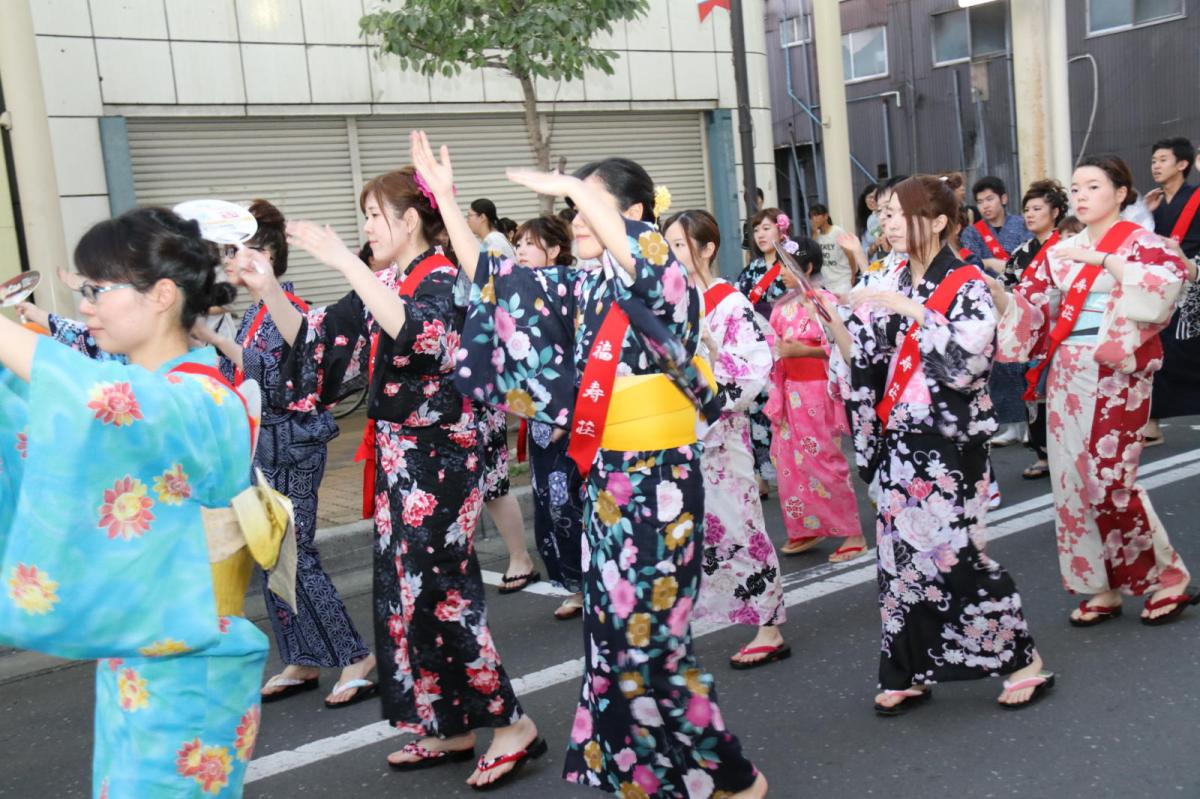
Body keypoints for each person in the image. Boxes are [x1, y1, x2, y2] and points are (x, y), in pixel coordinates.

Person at [425, 132, 767, 797]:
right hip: (610, 480)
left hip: (660, 483)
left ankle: (730, 774)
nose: (574, 220)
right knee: (613, 635)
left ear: (634, 214)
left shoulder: (660, 269)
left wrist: (577, 190)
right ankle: (650, 775)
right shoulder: (583, 283)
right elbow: (499, 285)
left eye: (588, 207)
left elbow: (642, 263)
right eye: (574, 208)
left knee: (654, 641)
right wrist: (444, 198)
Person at [247, 168, 541, 789]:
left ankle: (512, 723)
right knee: (404, 597)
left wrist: (342, 263)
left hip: (442, 457)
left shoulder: (441, 275)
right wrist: (270, 284)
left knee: (440, 592)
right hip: (399, 456)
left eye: (375, 216)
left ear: (410, 221)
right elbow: (322, 343)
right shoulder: (384, 279)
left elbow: (421, 336)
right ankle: (449, 724)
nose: (365, 229)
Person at [0, 206, 278, 797]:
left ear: (162, 295)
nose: (86, 306)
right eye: (84, 290)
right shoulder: (171, 387)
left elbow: (94, 401)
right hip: (144, 648)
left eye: (97, 289)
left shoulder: (196, 397)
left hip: (189, 659)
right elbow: (52, 416)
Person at [815, 175, 1053, 714]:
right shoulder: (889, 274)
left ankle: (1022, 661)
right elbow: (866, 365)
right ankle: (908, 668)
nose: (890, 223)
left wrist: (914, 311)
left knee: (954, 555)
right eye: (887, 214)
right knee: (899, 562)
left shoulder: (966, 281)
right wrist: (835, 326)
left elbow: (967, 363)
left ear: (940, 221)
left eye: (901, 214)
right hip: (899, 437)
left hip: (947, 442)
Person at [994, 155, 1198, 627]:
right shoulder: (1060, 250)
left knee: (1111, 482)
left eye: (1093, 186)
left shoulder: (1147, 245)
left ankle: (1169, 579)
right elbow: (1032, 309)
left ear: (1121, 193)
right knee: (1070, 482)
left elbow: (1166, 288)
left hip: (1117, 374)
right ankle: (1099, 586)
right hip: (1067, 372)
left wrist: (1104, 259)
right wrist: (998, 294)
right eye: (1077, 188)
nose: (1082, 196)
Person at [191, 200, 375, 708]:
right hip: (261, 447)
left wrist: (212, 339)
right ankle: (302, 656)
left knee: (298, 555)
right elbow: (241, 383)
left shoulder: (290, 310)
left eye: (236, 251)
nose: (228, 261)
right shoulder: (251, 313)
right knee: (271, 555)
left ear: (265, 254)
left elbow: (278, 381)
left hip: (292, 445)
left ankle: (355, 655)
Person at [663, 208, 789, 668]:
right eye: (668, 246)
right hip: (673, 435)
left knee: (738, 528)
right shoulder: (670, 302)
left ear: (707, 247)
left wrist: (712, 362)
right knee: (682, 535)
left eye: (680, 245)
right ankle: (680, 625)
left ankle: (769, 625)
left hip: (719, 435)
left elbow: (753, 369)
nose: (673, 256)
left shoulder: (728, 302)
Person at [763, 237, 867, 562]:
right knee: (789, 463)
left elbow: (841, 345)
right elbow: (773, 345)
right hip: (790, 390)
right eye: (779, 265)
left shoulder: (825, 301)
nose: (780, 272)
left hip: (817, 390)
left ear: (806, 268)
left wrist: (802, 350)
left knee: (824, 461)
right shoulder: (781, 307)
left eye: (787, 266)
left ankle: (853, 532)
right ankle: (807, 525)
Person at [511, 215, 586, 620]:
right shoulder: (524, 290)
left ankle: (589, 581)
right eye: (518, 242)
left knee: (567, 501)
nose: (520, 249)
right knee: (546, 502)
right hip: (540, 413)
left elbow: (581, 353)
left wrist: (567, 408)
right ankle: (574, 583)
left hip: (570, 409)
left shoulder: (570, 286)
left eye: (529, 243)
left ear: (555, 250)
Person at [465, 197, 537, 591]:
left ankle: (519, 555)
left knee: (492, 481)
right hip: (458, 386)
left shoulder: (489, 247)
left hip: (479, 382)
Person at [996, 180, 1070, 481]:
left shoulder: (1067, 245)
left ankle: (1068, 450)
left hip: (1063, 329)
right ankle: (1043, 453)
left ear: (1055, 211)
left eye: (1037, 208)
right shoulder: (1022, 252)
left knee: (1063, 394)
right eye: (1026, 209)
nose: (1030, 214)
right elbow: (1008, 288)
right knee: (1035, 393)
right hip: (1033, 333)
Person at [960, 176, 1032, 449]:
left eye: (990, 199)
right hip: (989, 299)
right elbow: (975, 263)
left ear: (1003, 198)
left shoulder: (1021, 223)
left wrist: (997, 263)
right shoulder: (972, 232)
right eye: (980, 202)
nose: (985, 206)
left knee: (1024, 356)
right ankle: (1009, 424)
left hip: (1021, 295)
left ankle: (1028, 421)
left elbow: (1027, 260)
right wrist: (1004, 264)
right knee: (1000, 362)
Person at [1142, 137, 1200, 446]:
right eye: (1153, 161)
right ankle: (1152, 422)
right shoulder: (1154, 202)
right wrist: (1145, 214)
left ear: (1182, 164)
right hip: (1163, 288)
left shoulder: (1198, 197)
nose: (1155, 166)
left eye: (1163, 160)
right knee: (1159, 352)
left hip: (1194, 287)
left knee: (1184, 352)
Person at [736, 208, 792, 494]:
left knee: (784, 408)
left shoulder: (791, 265)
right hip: (757, 346)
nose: (760, 235)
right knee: (757, 408)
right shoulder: (750, 270)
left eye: (766, 228)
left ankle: (788, 468)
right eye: (756, 230)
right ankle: (762, 474)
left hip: (785, 344)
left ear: (781, 230)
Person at [807, 203, 857, 295]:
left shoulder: (837, 231)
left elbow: (850, 254)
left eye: (816, 215)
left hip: (843, 280)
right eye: (811, 217)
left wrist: (853, 274)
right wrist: (814, 234)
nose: (814, 219)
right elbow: (812, 254)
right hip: (827, 283)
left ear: (826, 216)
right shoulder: (816, 235)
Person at [857, 183, 881, 254]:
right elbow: (864, 250)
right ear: (865, 200)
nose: (873, 200)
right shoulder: (869, 219)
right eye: (870, 197)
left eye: (876, 197)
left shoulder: (888, 215)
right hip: (876, 263)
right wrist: (875, 246)